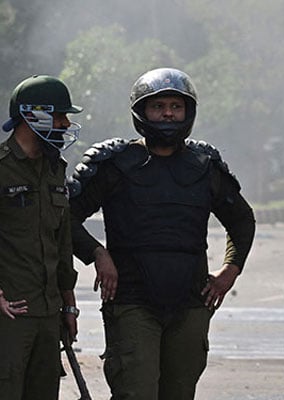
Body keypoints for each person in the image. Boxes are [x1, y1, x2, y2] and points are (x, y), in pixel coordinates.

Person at [68, 67, 256, 399]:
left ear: (188, 112)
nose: (168, 114)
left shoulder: (204, 166)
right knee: (136, 391)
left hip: (190, 303)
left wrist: (231, 270)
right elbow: (65, 218)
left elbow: (242, 220)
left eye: (176, 106)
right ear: (141, 112)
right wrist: (98, 253)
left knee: (179, 392)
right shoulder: (115, 164)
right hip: (132, 302)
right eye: (158, 106)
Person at [0, 75, 82, 399]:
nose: (65, 124)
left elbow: (62, 243)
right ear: (33, 115)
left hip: (49, 315)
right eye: (60, 116)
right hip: (10, 316)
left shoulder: (55, 169)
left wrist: (69, 305)